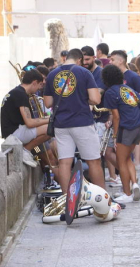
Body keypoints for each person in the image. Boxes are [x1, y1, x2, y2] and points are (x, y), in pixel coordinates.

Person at [44, 48, 104, 194]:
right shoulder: (84, 73)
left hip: (61, 124)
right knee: (93, 161)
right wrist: (83, 99)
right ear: (79, 60)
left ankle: (67, 201)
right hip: (82, 121)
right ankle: (104, 199)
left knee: (64, 162)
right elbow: (96, 99)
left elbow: (47, 103)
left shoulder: (52, 74)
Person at [103, 65, 140, 203]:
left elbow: (116, 116)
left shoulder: (110, 92)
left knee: (121, 161)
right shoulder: (127, 88)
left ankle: (127, 193)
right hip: (138, 125)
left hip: (126, 127)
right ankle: (134, 184)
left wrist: (115, 135)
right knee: (128, 159)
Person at [81, 46, 120, 185]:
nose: (85, 62)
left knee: (99, 155)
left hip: (101, 119)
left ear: (94, 58)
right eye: (83, 59)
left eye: (87, 59)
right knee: (97, 155)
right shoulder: (82, 72)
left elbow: (98, 94)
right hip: (87, 120)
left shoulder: (100, 73)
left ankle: (124, 175)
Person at [1, 69, 50, 167]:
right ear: (34, 82)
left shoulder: (17, 91)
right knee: (51, 128)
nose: (39, 89)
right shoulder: (21, 94)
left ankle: (28, 150)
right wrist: (50, 119)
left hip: (13, 131)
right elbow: (30, 123)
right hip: (14, 133)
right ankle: (26, 150)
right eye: (40, 85)